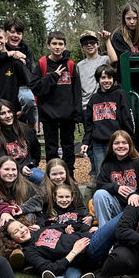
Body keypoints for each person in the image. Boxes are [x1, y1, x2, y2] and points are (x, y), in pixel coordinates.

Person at [31, 31, 82, 177]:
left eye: (60, 44)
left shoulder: (70, 64)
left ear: (65, 46)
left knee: (68, 146)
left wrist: (76, 112)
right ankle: (53, 175)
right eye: (54, 43)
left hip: (67, 112)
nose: (57, 47)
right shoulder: (42, 63)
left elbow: (76, 91)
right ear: (48, 45)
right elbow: (35, 87)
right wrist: (52, 77)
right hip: (48, 112)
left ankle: (69, 174)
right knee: (51, 147)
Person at [2, 219, 96, 278]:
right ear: (12, 240)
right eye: (16, 232)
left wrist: (87, 228)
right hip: (82, 253)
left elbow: (69, 224)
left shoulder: (42, 230)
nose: (22, 230)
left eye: (21, 226)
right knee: (66, 265)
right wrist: (75, 251)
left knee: (69, 265)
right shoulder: (28, 251)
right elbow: (48, 267)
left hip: (86, 240)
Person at [82, 65, 134, 181]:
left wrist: (129, 137)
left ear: (113, 79)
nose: (106, 81)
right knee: (102, 171)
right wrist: (86, 141)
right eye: (103, 78)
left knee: (119, 172)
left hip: (116, 141)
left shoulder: (119, 94)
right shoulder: (94, 99)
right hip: (98, 143)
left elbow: (126, 117)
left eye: (109, 78)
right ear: (98, 80)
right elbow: (90, 123)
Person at [90, 131, 139, 229]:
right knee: (99, 194)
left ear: (130, 145)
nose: (120, 146)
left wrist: (135, 194)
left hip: (137, 207)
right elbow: (100, 185)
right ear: (111, 146)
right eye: (117, 143)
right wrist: (116, 187)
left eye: (124, 142)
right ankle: (103, 233)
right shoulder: (107, 165)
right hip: (116, 207)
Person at [0, 99, 43, 185]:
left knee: (41, 178)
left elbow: (36, 149)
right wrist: (19, 168)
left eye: (10, 112)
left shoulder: (25, 129)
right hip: (6, 171)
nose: (8, 115)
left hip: (28, 169)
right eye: (3, 113)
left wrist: (33, 163)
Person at [77, 30, 114, 118]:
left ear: (98, 44)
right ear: (82, 47)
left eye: (92, 42)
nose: (89, 45)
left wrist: (107, 40)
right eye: (86, 43)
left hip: (104, 103)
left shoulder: (104, 60)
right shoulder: (79, 65)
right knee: (89, 131)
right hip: (86, 105)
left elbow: (114, 60)